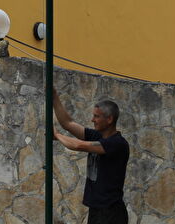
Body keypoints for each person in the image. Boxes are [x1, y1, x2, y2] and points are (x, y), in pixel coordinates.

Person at [53, 89, 130, 224]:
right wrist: (54, 96)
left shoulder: (118, 143)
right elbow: (68, 123)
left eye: (97, 116)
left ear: (109, 119)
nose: (92, 119)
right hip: (96, 210)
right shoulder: (97, 136)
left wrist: (58, 136)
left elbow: (79, 146)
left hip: (111, 213)